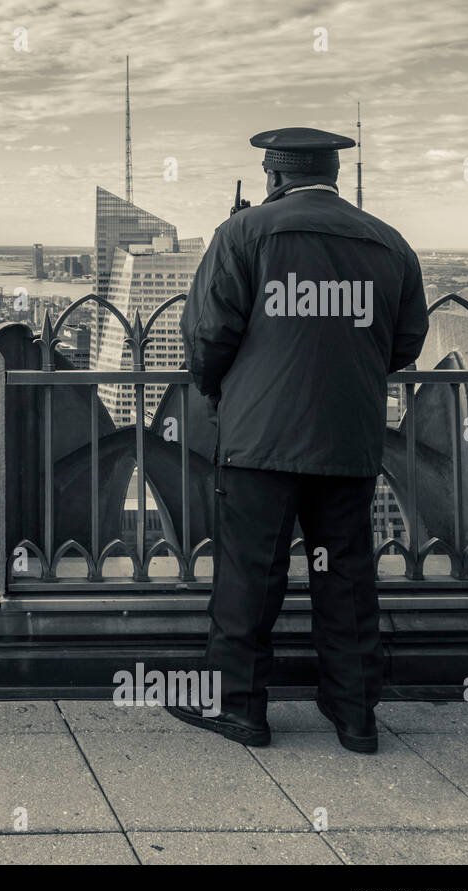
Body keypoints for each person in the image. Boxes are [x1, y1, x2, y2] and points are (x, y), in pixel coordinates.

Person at [167, 127, 429, 753]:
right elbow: (405, 342)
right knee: (346, 577)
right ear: (332, 176)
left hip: (260, 442)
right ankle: (356, 716)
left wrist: (219, 390)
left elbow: (206, 336)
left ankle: (240, 709)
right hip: (349, 440)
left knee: (249, 579)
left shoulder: (243, 234)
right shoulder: (390, 243)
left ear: (273, 176)